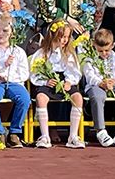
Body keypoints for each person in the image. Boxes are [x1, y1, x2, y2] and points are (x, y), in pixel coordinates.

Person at [28, 21, 84, 149]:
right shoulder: (42, 52)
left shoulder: (69, 53)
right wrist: (44, 81)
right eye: (61, 37)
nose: (64, 40)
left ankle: (73, 136)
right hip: (48, 81)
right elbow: (34, 73)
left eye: (66, 37)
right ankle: (45, 136)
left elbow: (75, 71)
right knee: (41, 98)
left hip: (64, 81)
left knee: (78, 98)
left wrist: (69, 82)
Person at [0, 14, 31, 148]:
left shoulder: (18, 51)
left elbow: (24, 73)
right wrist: (3, 65)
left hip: (14, 82)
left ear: (12, 33)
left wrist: (10, 77)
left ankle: (15, 132)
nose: (0, 34)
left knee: (25, 99)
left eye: (5, 31)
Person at [82, 28, 115, 148]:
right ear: (94, 45)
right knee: (97, 97)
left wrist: (114, 81)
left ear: (113, 45)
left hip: (114, 84)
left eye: (107, 50)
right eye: (100, 51)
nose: (104, 53)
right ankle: (100, 130)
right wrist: (101, 83)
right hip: (96, 85)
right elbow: (89, 76)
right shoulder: (89, 58)